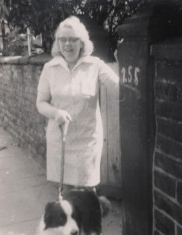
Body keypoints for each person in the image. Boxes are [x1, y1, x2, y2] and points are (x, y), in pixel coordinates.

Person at [36, 16, 119, 192]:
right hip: (61, 141)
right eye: (63, 39)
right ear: (57, 43)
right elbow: (41, 103)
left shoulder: (95, 65)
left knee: (88, 195)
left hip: (87, 143)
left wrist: (123, 62)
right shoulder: (49, 68)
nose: (68, 44)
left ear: (81, 42)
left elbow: (120, 90)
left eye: (73, 39)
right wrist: (55, 112)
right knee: (66, 198)